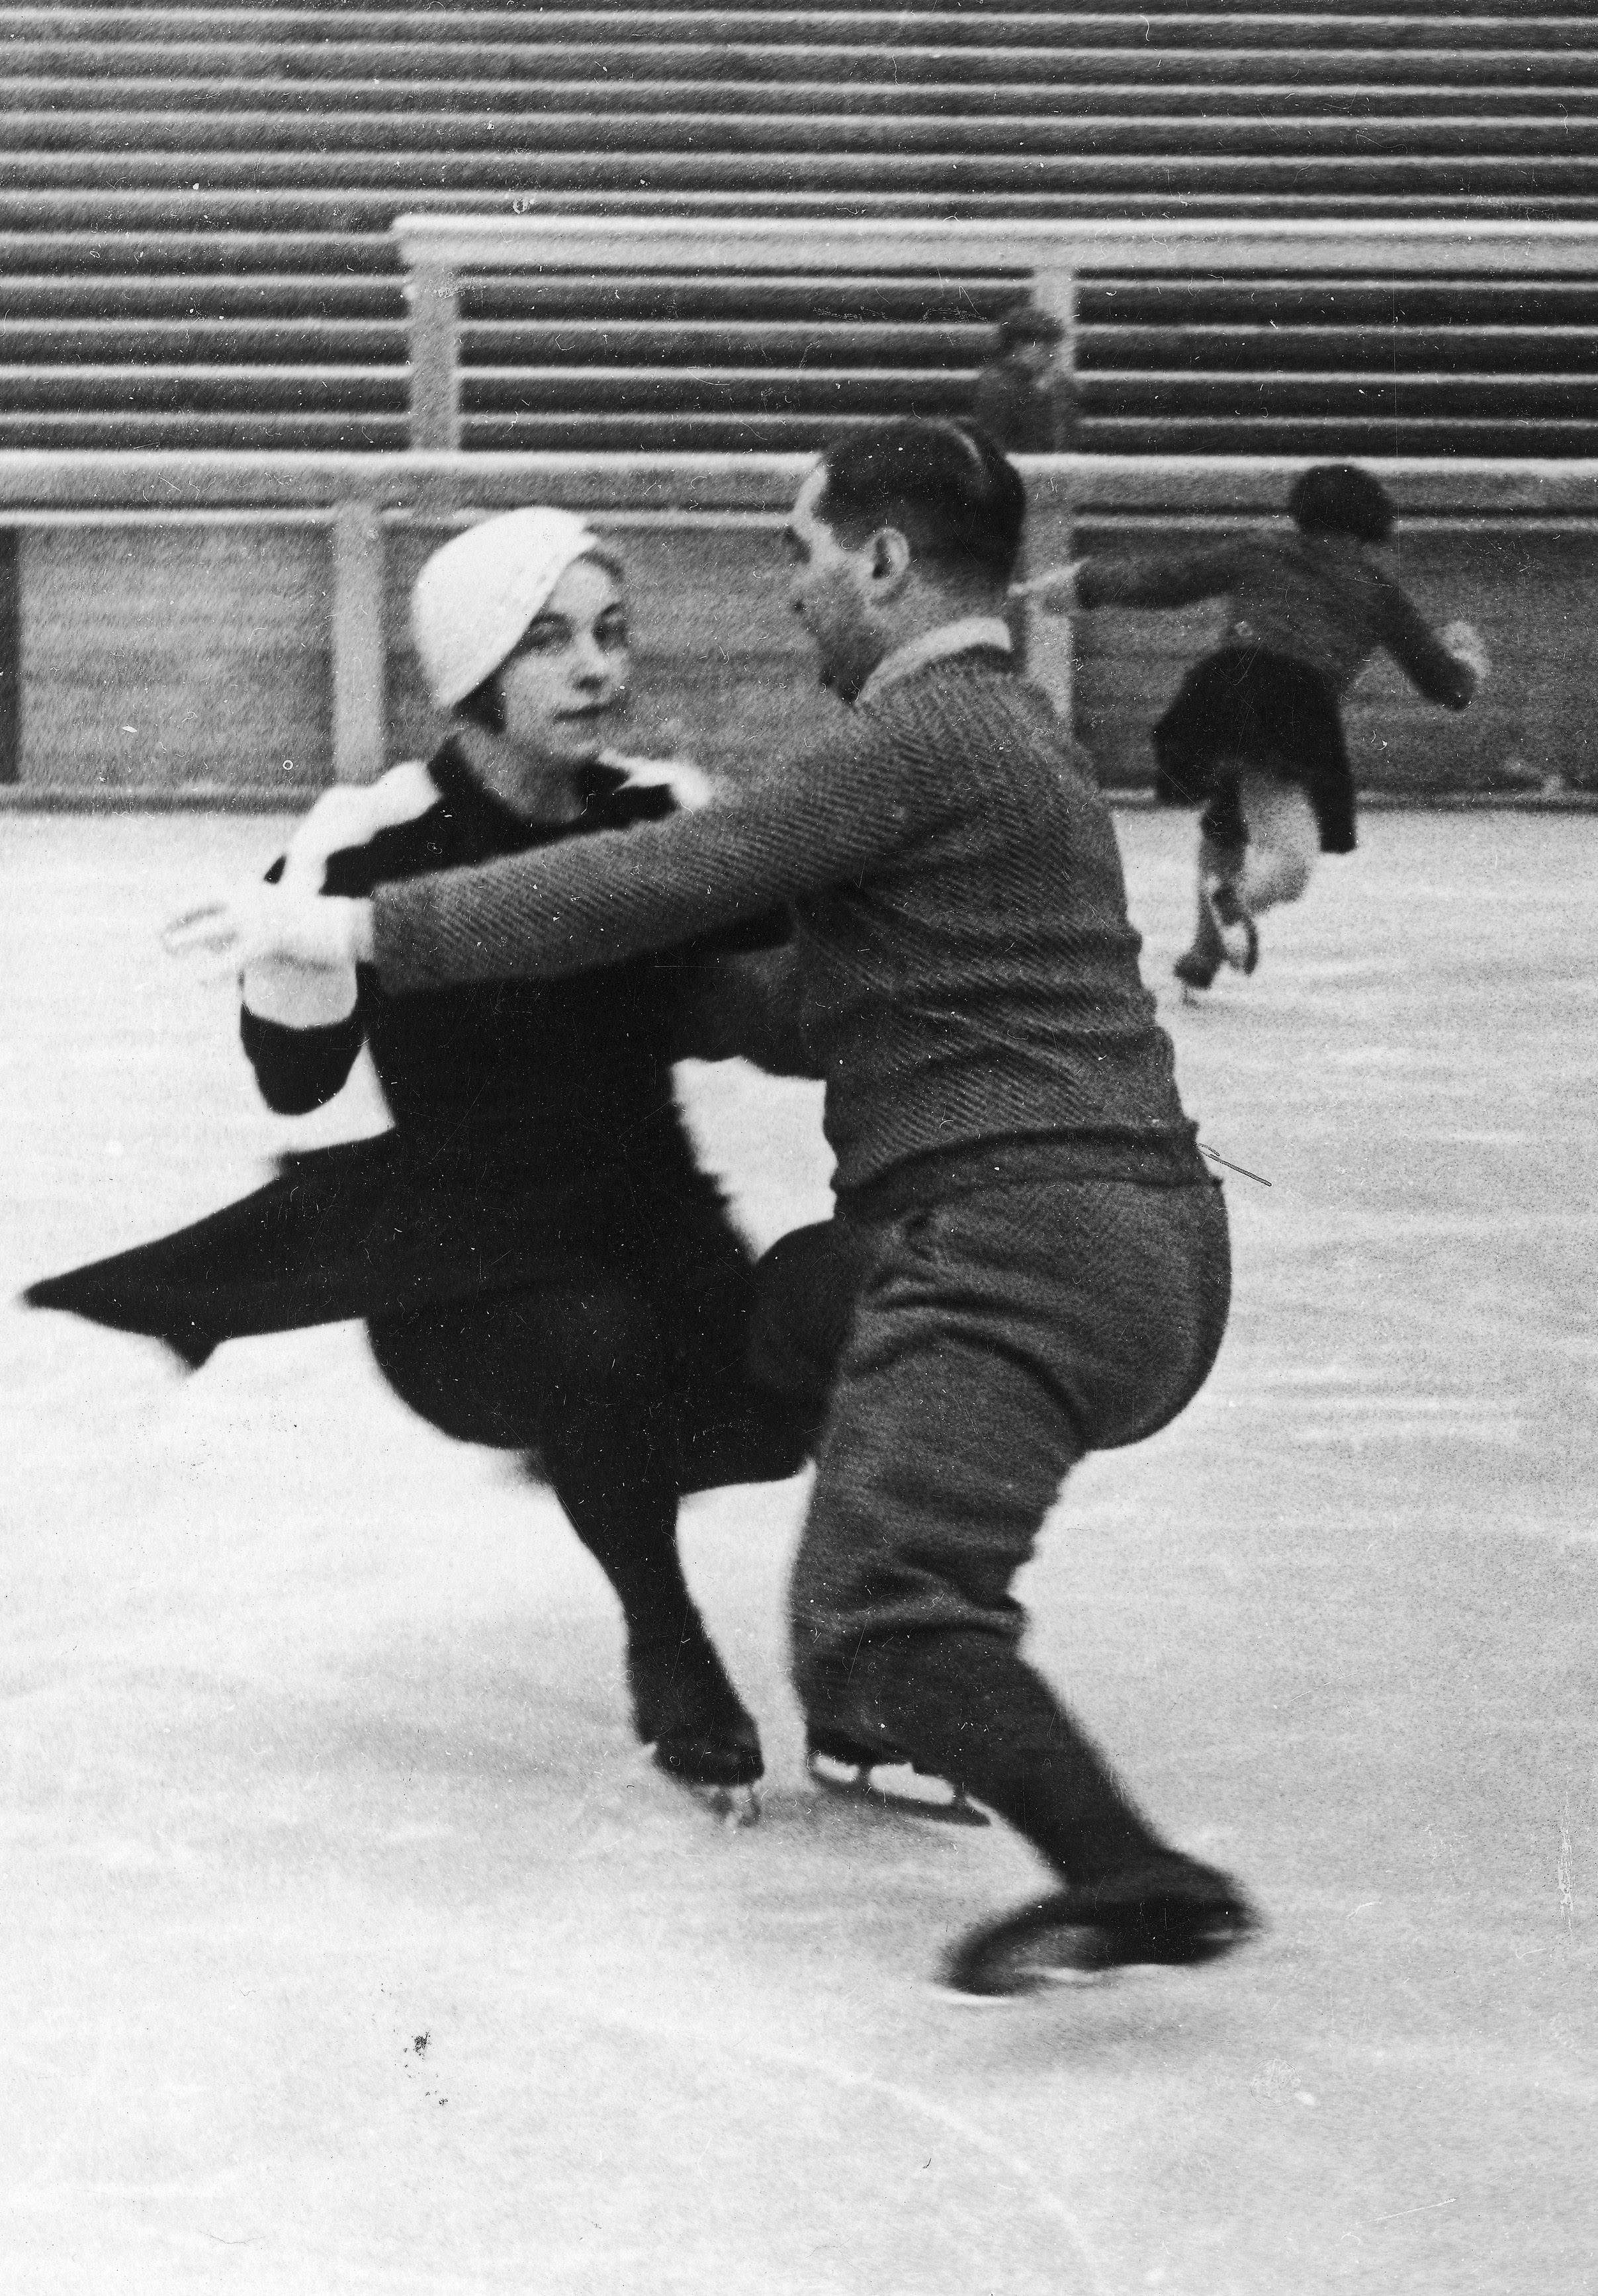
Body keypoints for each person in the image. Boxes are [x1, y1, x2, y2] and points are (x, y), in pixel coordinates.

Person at [167, 421, 1261, 2000]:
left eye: (802, 557)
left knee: (874, 1612)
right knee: (814, 1298)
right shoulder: (1007, 737)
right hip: (1138, 1243)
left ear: (883, 562)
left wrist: (346, 920)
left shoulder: (919, 735)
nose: (790, 595)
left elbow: (664, 877)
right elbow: (818, 999)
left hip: (1022, 1239)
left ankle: (1124, 1864)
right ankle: (884, 1697)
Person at [27, 508, 818, 1821]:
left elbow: (787, 1016)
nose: (596, 671)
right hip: (464, 1275)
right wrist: (297, 950)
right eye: (550, 641)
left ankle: (629, 1478)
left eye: (611, 635)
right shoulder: (375, 833)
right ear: (471, 668)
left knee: (774, 1411)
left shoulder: (669, 819)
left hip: (655, 1230)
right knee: (592, 1346)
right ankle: (665, 1638)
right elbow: (298, 1082)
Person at [1019, 463, 1488, 989]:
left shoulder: (1261, 550)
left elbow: (1163, 580)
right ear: (1373, 521)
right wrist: (1468, 662)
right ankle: (1235, 902)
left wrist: (1078, 584)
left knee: (1225, 818)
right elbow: (1441, 684)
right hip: (1292, 702)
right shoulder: (1375, 585)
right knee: (1291, 860)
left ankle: (1204, 951)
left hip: (1222, 687)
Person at [969, 302, 1078, 455]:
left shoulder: (1059, 384)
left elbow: (1066, 439)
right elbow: (995, 443)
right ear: (1018, 347)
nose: (1051, 355)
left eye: (1053, 348)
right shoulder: (995, 384)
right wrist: (1038, 396)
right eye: (1043, 347)